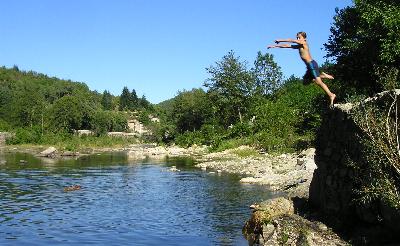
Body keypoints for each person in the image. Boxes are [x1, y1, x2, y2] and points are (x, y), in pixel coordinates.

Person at [267, 31, 336, 106]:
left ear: (304, 38)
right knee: (305, 82)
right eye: (297, 37)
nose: (297, 38)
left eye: (299, 37)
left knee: (318, 82)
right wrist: (275, 46)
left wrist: (280, 40)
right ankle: (322, 75)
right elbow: (287, 46)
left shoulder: (304, 43)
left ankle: (331, 95)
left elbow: (291, 40)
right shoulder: (299, 46)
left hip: (312, 64)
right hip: (309, 67)